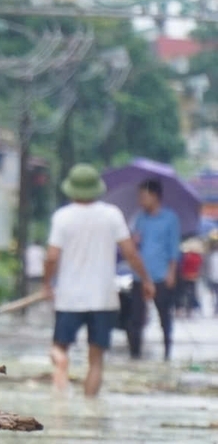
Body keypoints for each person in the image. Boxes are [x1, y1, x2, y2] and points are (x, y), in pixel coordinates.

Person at [45, 164, 153, 398]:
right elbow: (130, 253)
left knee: (59, 347)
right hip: (103, 298)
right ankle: (90, 407)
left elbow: (52, 256)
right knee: (96, 360)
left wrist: (46, 284)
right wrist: (146, 279)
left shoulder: (62, 217)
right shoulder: (112, 215)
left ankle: (61, 369)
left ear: (71, 190)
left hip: (69, 298)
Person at [128, 179, 181, 359]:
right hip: (140, 275)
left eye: (144, 196)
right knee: (135, 317)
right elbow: (133, 247)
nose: (141, 201)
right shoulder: (139, 218)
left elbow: (173, 247)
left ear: (155, 196)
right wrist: (133, 242)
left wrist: (171, 272)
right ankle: (135, 354)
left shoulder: (170, 218)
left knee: (164, 316)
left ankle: (167, 351)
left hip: (161, 274)